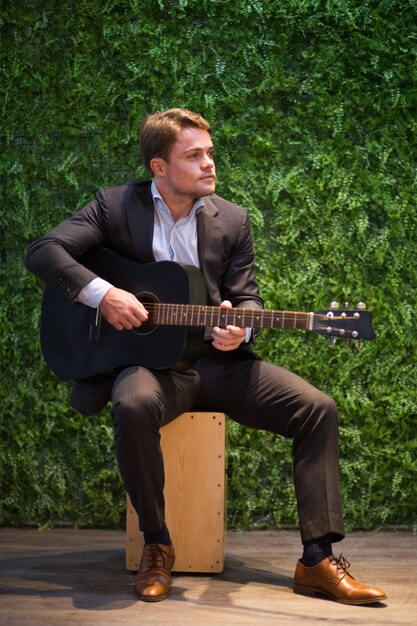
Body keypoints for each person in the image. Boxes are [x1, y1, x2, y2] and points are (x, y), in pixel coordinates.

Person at [25, 107, 386, 605]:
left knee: (316, 408)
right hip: (152, 369)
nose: (209, 164)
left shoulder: (231, 219)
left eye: (210, 153)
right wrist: (105, 295)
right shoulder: (114, 207)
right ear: (159, 166)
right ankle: (157, 545)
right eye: (193, 155)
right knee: (131, 405)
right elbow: (44, 252)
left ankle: (317, 560)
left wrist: (241, 330)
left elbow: (248, 299)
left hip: (215, 364)